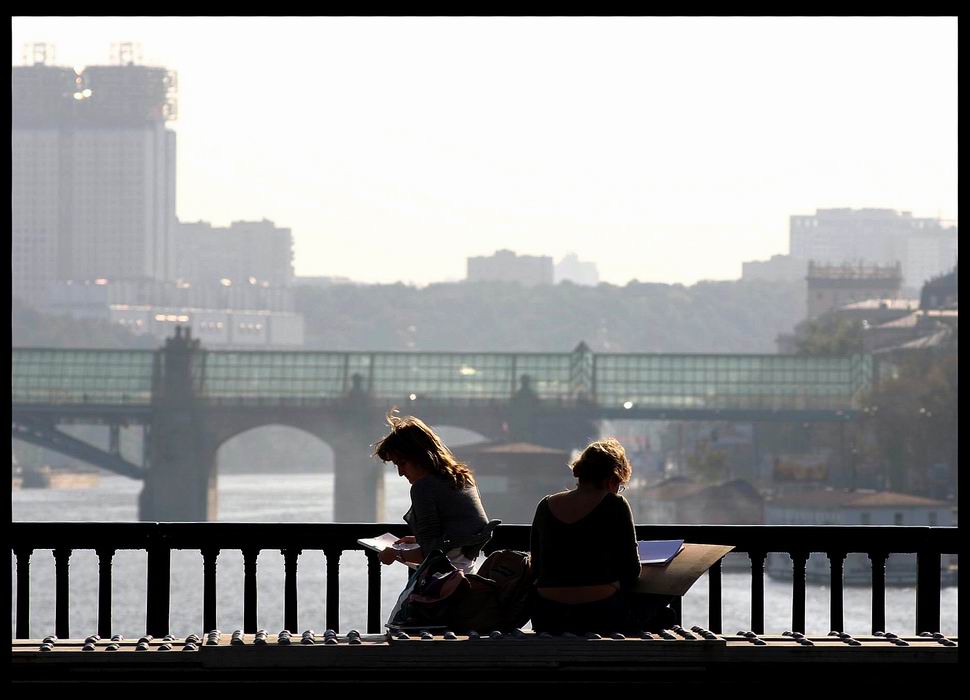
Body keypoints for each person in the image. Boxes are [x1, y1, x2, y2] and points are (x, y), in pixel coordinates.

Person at [529, 438, 674, 635]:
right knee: (664, 609)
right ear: (612, 479)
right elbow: (631, 571)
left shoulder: (545, 505)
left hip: (548, 615)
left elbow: (536, 567)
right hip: (601, 614)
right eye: (619, 485)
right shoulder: (615, 505)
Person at [373, 412, 493, 573]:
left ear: (420, 456)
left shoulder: (423, 487)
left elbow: (431, 553)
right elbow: (458, 534)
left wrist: (395, 553)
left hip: (440, 581)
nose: (401, 472)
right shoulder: (462, 478)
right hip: (466, 576)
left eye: (402, 463)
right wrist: (419, 540)